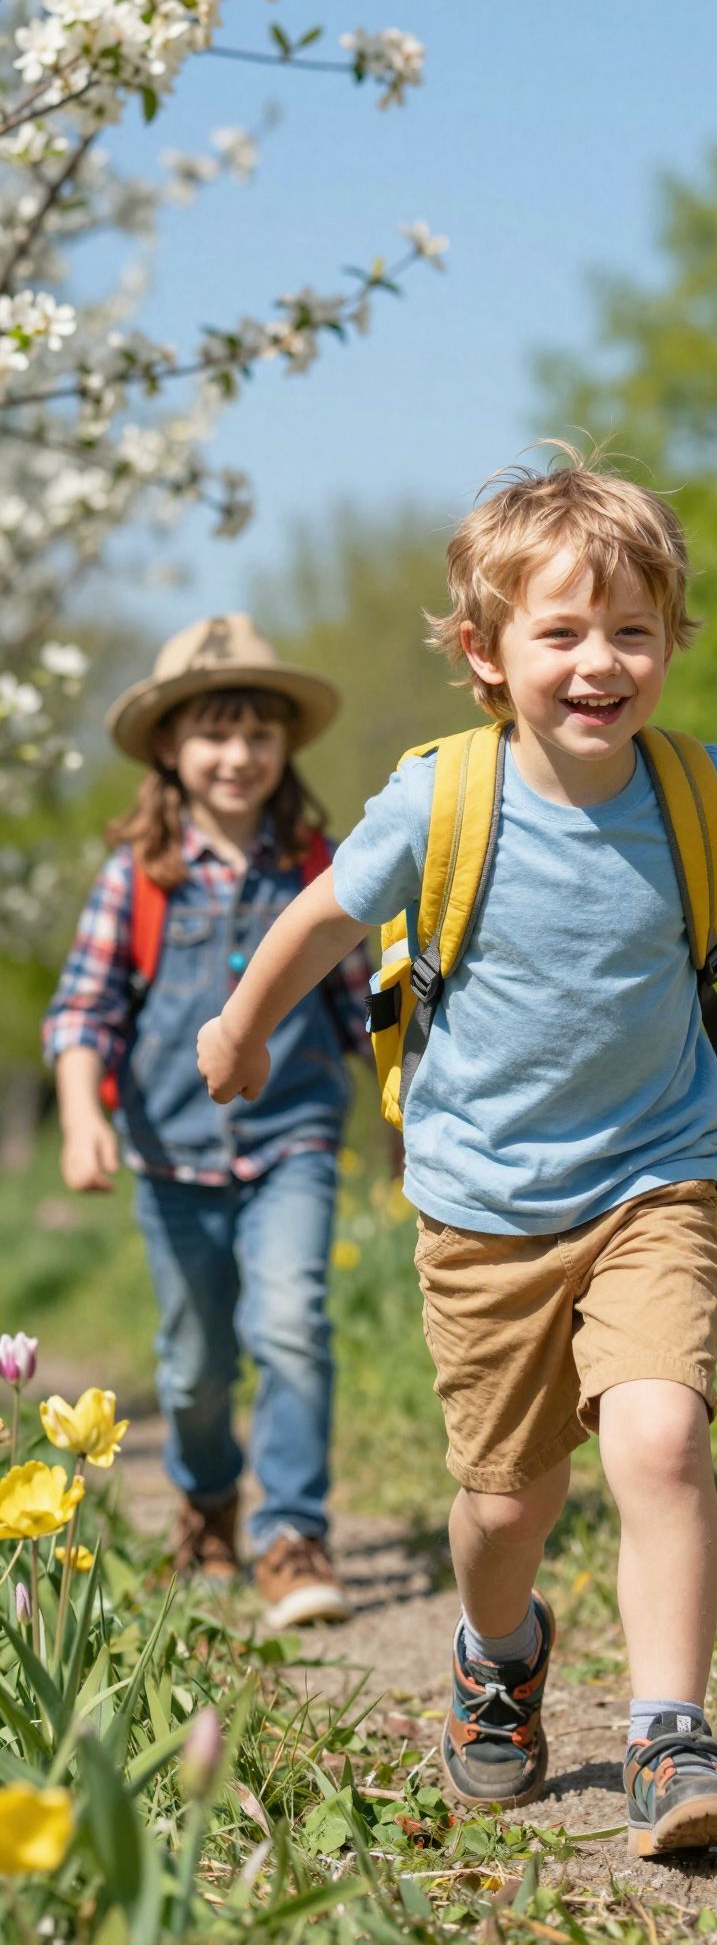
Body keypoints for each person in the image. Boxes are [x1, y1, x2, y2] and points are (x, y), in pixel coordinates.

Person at [197, 458, 717, 1854]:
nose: (600, 661)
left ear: (672, 642)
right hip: (483, 1201)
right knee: (508, 1503)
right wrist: (243, 1025)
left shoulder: (697, 793)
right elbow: (325, 918)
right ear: (485, 655)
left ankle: (671, 1735)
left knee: (663, 1438)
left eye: (632, 629)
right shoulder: (443, 801)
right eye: (559, 632)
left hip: (654, 1175)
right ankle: (499, 1653)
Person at [44, 613, 374, 1629]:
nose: (238, 756)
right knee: (193, 1361)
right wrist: (80, 1114)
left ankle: (290, 1532)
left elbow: (365, 1006)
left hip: (295, 1139)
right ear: (170, 752)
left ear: (286, 748)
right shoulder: (137, 877)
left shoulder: (323, 868)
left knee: (291, 1325)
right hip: (172, 1153)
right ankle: (206, 1500)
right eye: (214, 735)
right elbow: (83, 1009)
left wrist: (413, 1117)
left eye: (259, 735)